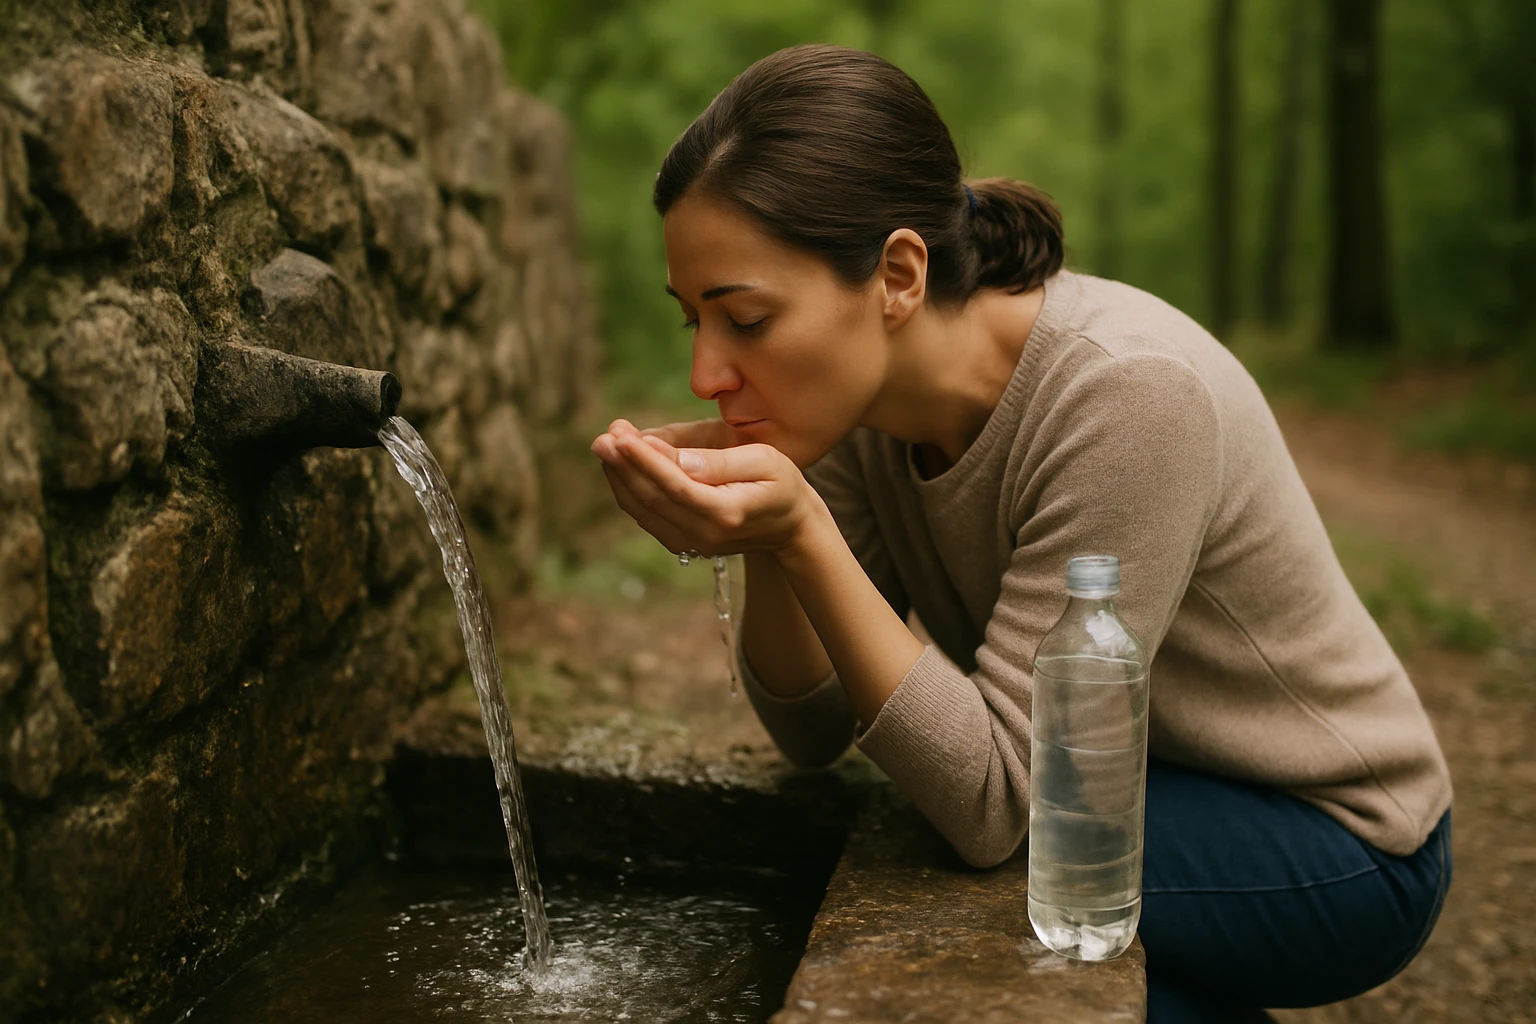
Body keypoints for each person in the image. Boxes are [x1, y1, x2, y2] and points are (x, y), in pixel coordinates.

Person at [588, 43, 1452, 1022]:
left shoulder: (1125, 396)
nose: (707, 372)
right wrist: (772, 532)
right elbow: (813, 729)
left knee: (963, 913)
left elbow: (997, 805)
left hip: (1332, 834)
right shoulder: (851, 410)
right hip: (1127, 786)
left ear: (899, 274)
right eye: (691, 320)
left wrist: (799, 527)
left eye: (744, 317)